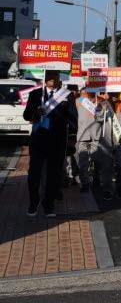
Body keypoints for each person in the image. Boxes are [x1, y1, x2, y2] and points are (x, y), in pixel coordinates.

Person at [23, 71, 77, 217]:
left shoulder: (66, 95)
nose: (52, 78)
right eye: (49, 75)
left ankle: (49, 204)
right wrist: (36, 113)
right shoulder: (35, 94)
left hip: (57, 141)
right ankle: (33, 202)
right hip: (38, 139)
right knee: (34, 173)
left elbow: (73, 119)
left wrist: (72, 137)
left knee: (54, 174)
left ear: (59, 77)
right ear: (44, 77)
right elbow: (26, 115)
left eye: (55, 75)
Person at [75, 88, 101, 193]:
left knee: (97, 160)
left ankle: (96, 179)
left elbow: (105, 118)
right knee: (83, 161)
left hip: (96, 135)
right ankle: (85, 183)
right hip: (82, 135)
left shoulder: (101, 101)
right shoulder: (78, 101)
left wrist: (98, 113)